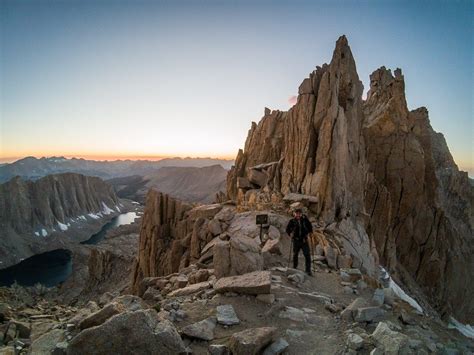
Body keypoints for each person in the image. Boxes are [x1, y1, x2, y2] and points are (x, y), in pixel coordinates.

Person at [286, 208, 313, 275]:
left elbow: (310, 227)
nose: (298, 214)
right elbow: (287, 229)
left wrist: (310, 233)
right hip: (296, 240)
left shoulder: (305, 220)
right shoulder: (292, 221)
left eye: (299, 213)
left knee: (307, 255)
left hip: (304, 240)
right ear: (294, 214)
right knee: (295, 254)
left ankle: (308, 270)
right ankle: (295, 267)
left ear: (301, 214)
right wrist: (290, 234)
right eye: (296, 213)